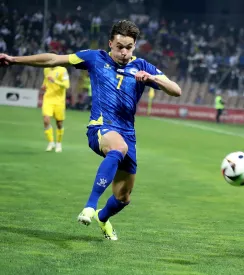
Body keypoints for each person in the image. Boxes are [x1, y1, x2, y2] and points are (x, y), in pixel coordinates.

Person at [0, 20, 182, 240]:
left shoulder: (142, 66)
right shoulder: (95, 58)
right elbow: (54, 59)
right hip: (101, 128)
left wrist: (152, 78)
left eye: (129, 47)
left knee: (123, 197)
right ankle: (89, 205)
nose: (124, 52)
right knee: (118, 147)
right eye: (119, 46)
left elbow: (176, 90)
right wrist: (14, 59)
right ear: (110, 43)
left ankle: (102, 217)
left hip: (128, 135)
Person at [41, 61, 70, 152]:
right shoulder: (46, 69)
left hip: (59, 101)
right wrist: (44, 86)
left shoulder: (62, 70)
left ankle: (58, 143)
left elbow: (66, 85)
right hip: (48, 99)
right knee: (46, 120)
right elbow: (46, 80)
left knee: (59, 123)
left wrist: (55, 81)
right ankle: (51, 142)